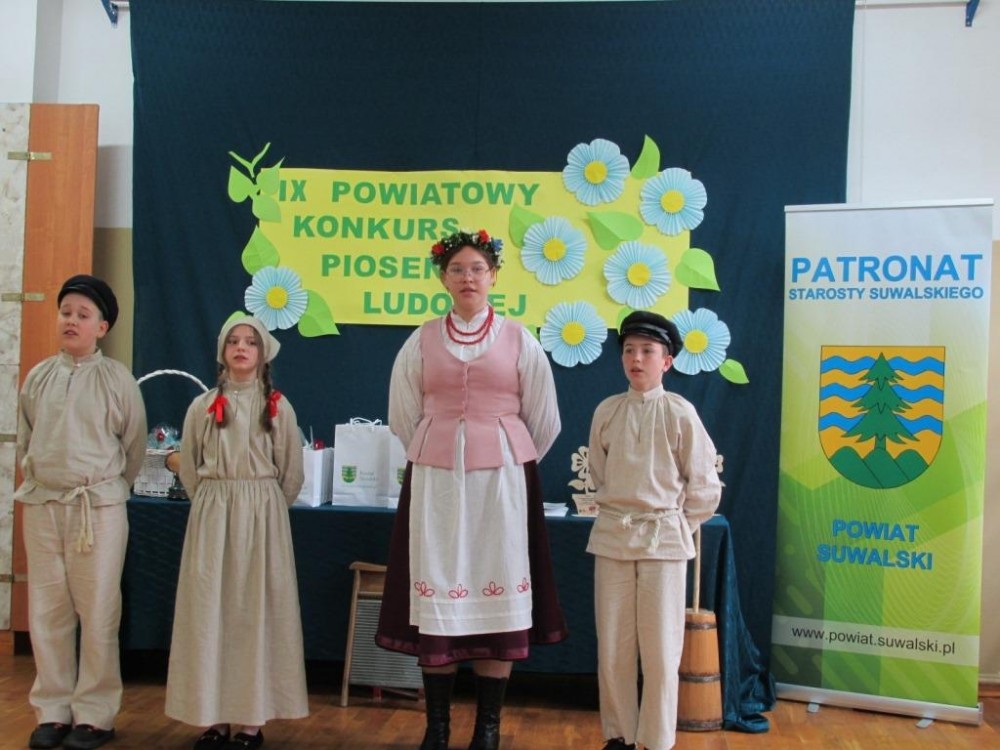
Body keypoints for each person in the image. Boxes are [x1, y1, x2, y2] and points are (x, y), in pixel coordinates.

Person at [376, 228, 568, 750]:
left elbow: (544, 420)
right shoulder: (420, 340)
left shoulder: (521, 339)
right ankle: (437, 727)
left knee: (496, 585)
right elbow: (403, 415)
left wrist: (503, 450)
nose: (468, 278)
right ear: (443, 278)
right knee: (438, 588)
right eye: (457, 269)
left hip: (500, 485)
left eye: (478, 269)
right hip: (437, 483)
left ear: (494, 276)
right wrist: (443, 442)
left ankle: (488, 728)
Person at [16, 274, 147, 750]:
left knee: (97, 612)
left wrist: (106, 489)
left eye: (83, 315)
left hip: (99, 508)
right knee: (47, 612)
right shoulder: (39, 377)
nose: (71, 321)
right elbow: (27, 440)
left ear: (102, 327)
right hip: (44, 504)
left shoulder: (117, 380)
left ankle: (94, 714)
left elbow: (133, 448)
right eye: (66, 312)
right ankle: (52, 711)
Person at [164, 315, 307, 750]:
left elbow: (291, 473)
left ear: (263, 354)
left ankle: (249, 721)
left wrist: (261, 506)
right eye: (234, 341)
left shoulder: (278, 407)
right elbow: (190, 467)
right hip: (213, 513)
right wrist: (216, 501)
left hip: (261, 516)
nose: (241, 348)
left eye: (251, 342)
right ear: (222, 351)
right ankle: (213, 716)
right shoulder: (202, 406)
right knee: (210, 614)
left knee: (253, 615)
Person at [587, 311, 722, 750]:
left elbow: (704, 486)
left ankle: (658, 739)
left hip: (663, 541)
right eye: (629, 350)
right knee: (613, 646)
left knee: (662, 649)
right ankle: (619, 735)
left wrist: (674, 523)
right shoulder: (607, 411)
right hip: (614, 535)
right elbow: (600, 473)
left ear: (667, 361)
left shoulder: (680, 412)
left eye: (647, 351)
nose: (636, 359)